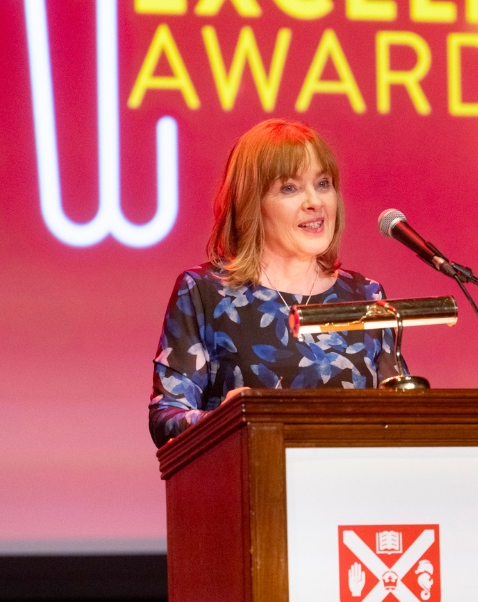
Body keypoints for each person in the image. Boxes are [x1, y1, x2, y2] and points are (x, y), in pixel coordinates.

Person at [149, 119, 398, 447]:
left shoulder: (366, 295)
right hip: (255, 487)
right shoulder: (205, 292)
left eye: (323, 184)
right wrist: (226, 420)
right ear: (253, 203)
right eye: (290, 188)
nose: (315, 201)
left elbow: (400, 414)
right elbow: (166, 415)